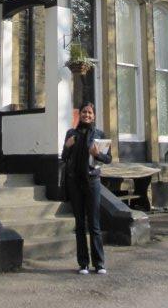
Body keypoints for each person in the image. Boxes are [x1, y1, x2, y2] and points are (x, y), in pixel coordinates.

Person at [61, 101, 112, 275]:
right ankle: (83, 263)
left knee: (94, 224)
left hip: (92, 181)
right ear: (80, 114)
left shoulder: (99, 135)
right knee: (80, 224)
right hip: (75, 182)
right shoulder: (72, 133)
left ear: (94, 116)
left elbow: (108, 159)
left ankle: (99, 263)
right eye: (84, 112)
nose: (87, 115)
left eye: (90, 113)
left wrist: (97, 154)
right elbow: (64, 156)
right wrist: (67, 147)